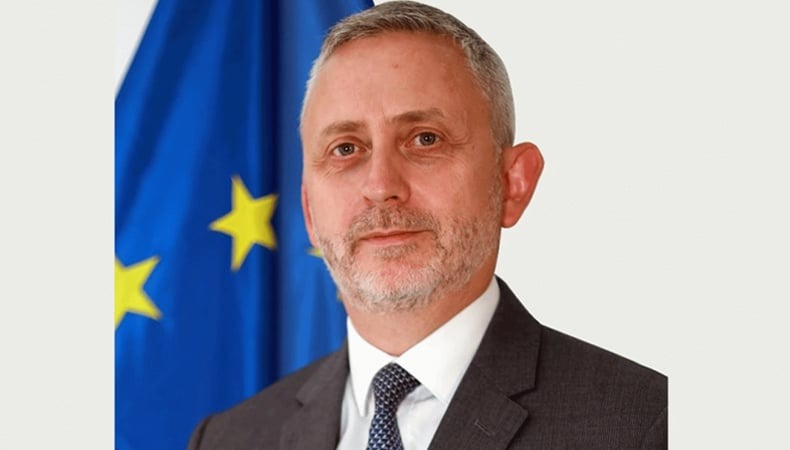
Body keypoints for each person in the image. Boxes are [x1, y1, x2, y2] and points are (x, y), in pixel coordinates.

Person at [188, 1, 667, 449]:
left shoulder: (648, 426)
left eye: (424, 139)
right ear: (310, 211)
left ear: (512, 183)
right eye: (346, 148)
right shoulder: (229, 439)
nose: (381, 186)